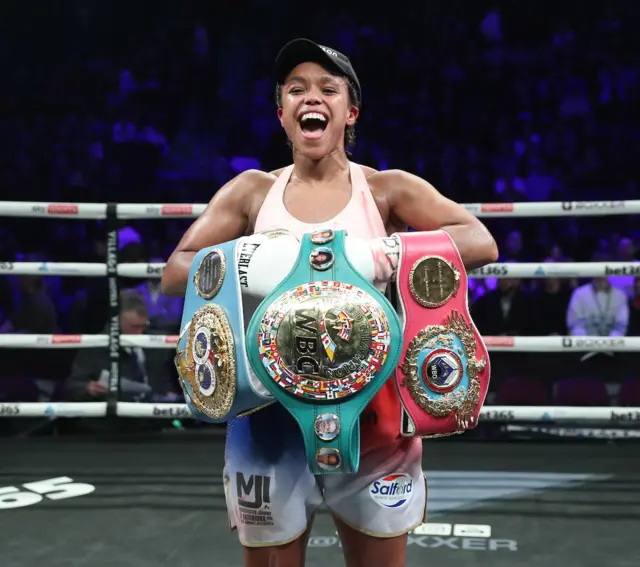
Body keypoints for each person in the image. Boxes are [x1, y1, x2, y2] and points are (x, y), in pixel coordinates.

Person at [162, 38, 498, 567]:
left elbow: (478, 240)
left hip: (373, 421)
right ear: (281, 113)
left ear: (349, 111)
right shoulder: (252, 192)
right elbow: (176, 271)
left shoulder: (384, 190)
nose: (309, 97)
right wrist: (249, 260)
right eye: (295, 89)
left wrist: (381, 253)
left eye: (327, 88)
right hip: (268, 423)